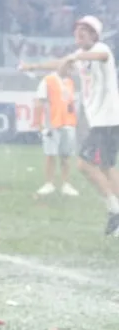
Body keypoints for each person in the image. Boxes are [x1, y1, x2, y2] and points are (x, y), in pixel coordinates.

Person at [20, 16, 119, 237]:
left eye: (85, 29)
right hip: (105, 120)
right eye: (77, 29)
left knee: (84, 164)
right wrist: (33, 66)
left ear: (94, 35)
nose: (79, 32)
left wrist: (75, 57)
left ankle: (114, 209)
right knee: (107, 167)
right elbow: (60, 64)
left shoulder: (100, 49)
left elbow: (100, 56)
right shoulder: (81, 57)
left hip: (107, 119)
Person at [31, 62, 79, 197]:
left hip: (68, 123)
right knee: (50, 154)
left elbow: (70, 102)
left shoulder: (69, 82)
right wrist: (39, 123)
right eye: (69, 68)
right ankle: (49, 183)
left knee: (66, 155)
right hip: (52, 123)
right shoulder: (48, 80)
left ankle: (66, 184)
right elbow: (39, 101)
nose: (71, 72)